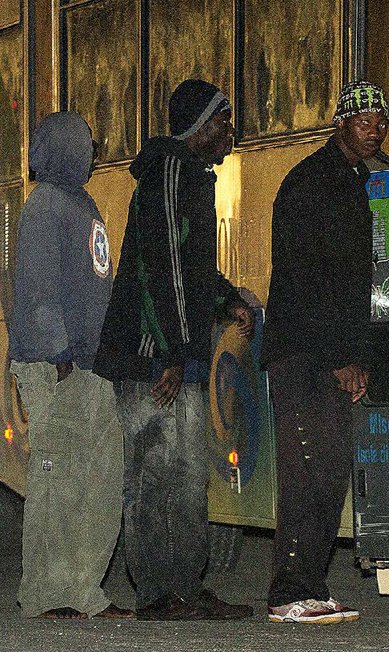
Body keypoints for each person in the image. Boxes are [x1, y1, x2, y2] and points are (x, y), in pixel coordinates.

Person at [93, 79, 254, 621]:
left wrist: (227, 298)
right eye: (223, 122)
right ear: (200, 127)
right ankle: (158, 593)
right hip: (149, 357)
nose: (230, 132)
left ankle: (185, 583)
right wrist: (165, 356)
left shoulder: (193, 177)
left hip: (174, 354)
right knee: (152, 475)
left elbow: (192, 271)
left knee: (186, 473)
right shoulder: (169, 173)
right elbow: (155, 270)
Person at [260, 80, 388, 624]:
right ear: (341, 123)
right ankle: (288, 593)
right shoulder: (314, 183)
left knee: (329, 469)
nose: (376, 131)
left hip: (325, 354)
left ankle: (309, 586)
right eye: (366, 122)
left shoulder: (350, 181)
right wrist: (340, 357)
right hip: (303, 355)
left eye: (383, 123)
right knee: (307, 470)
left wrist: (355, 356)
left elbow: (351, 284)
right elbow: (306, 281)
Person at [9, 111, 132, 620]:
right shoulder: (45, 206)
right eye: (86, 142)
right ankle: (44, 593)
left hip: (90, 363)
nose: (94, 152)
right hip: (54, 364)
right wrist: (57, 351)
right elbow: (36, 289)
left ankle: (83, 589)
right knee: (57, 479)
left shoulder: (82, 202)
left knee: (101, 476)